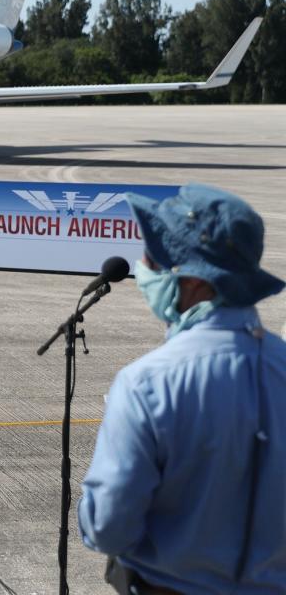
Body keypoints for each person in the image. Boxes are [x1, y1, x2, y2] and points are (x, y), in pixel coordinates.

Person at [78, 183, 286, 594]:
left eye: (154, 257)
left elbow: (108, 527)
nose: (144, 268)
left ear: (193, 282)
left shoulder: (147, 383)